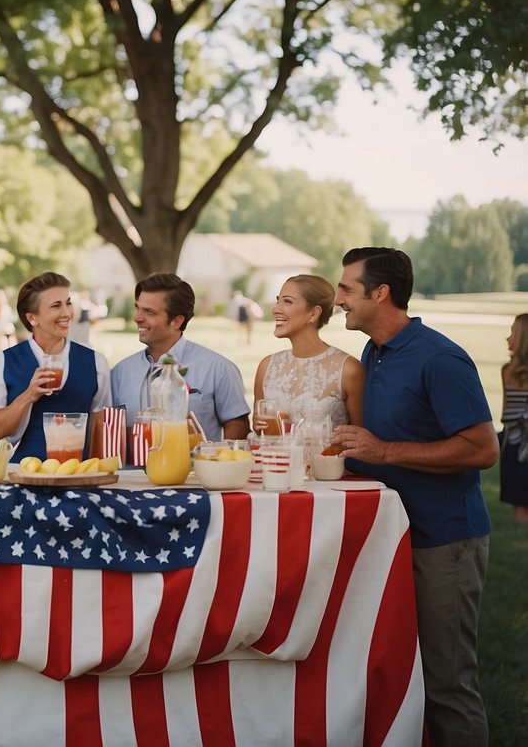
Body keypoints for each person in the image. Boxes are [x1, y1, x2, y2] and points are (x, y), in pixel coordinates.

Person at [331, 247, 498, 746]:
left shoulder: (440, 357)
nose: (338, 298)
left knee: (447, 682)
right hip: (391, 537)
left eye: (345, 289)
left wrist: (384, 452)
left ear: (379, 293)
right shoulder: (374, 351)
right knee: (407, 675)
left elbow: (483, 448)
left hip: (442, 540)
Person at [0, 272, 111, 461]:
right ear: (32, 318)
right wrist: (28, 397)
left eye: (68, 303)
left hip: (78, 478)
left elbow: (101, 426)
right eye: (56, 306)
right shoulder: (1, 363)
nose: (67, 313)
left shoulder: (96, 362)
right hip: (18, 477)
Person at [111, 273, 250, 443]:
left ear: (177, 321)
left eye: (149, 312)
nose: (137, 318)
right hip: (134, 470)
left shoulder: (219, 369)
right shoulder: (119, 373)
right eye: (137, 308)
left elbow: (237, 425)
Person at [252, 274, 364, 433]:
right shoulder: (267, 367)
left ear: (313, 313)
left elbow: (362, 443)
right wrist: (258, 426)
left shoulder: (348, 370)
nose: (276, 309)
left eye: (287, 301)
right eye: (278, 301)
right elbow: (261, 435)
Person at [499, 314, 528, 524]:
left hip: (520, 440)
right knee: (519, 498)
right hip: (515, 440)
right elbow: (506, 412)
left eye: (512, 333)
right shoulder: (506, 370)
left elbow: (507, 412)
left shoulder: (509, 371)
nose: (508, 338)